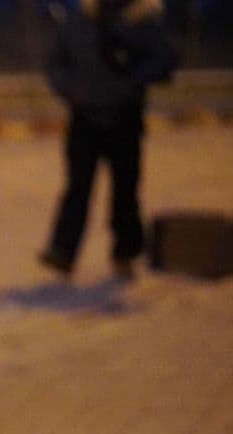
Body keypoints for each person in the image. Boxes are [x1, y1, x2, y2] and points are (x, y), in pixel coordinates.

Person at [39, 0, 177, 279]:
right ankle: (63, 252)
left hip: (124, 119)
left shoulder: (142, 22)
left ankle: (126, 253)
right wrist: (74, 91)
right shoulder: (80, 23)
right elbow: (56, 64)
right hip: (85, 119)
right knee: (78, 187)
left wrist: (131, 73)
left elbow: (165, 62)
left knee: (125, 190)